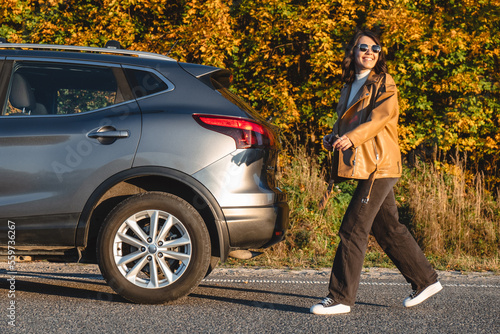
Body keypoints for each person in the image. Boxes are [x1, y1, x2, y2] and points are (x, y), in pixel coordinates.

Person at [310, 29, 442, 315]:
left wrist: (353, 138)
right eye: (364, 47)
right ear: (353, 52)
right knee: (388, 228)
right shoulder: (349, 86)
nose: (370, 52)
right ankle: (425, 280)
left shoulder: (384, 82)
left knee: (352, 229)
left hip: (379, 165)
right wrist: (334, 136)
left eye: (375, 48)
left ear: (379, 54)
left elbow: (380, 119)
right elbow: (347, 122)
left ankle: (341, 297)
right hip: (370, 165)